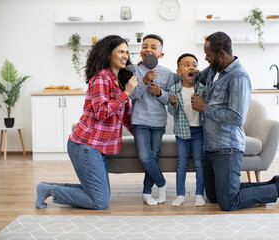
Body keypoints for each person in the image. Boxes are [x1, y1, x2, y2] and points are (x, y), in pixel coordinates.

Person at [191, 31, 279, 211]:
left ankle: (278, 188)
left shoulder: (238, 77)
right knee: (213, 197)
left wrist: (205, 107)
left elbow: (237, 118)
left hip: (227, 147)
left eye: (208, 55)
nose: (205, 59)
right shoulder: (214, 69)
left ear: (222, 54)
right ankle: (275, 184)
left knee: (228, 202)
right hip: (210, 145)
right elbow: (198, 77)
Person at [35, 35, 137, 209]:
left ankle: (46, 188)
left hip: (98, 146)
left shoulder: (118, 81)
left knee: (98, 193)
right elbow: (102, 112)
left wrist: (142, 136)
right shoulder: (100, 78)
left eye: (127, 52)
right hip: (86, 145)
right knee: (99, 201)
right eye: (120, 51)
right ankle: (49, 190)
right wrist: (126, 94)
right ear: (108, 55)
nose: (125, 55)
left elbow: (126, 117)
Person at [128, 34, 177, 206]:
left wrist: (160, 93)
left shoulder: (167, 74)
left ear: (161, 54)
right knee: (145, 156)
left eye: (153, 47)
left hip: (158, 122)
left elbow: (171, 99)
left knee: (154, 156)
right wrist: (144, 80)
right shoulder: (132, 71)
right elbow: (132, 95)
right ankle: (162, 184)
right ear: (141, 52)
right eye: (145, 46)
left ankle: (147, 192)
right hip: (140, 120)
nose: (148, 49)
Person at [168, 53, 206, 207]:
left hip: (199, 132)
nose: (191, 67)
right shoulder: (174, 89)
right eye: (187, 65)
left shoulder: (203, 89)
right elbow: (172, 113)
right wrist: (172, 103)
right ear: (178, 71)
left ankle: (199, 195)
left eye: (194, 65)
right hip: (182, 133)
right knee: (181, 163)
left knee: (199, 163)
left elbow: (206, 110)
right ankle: (180, 195)